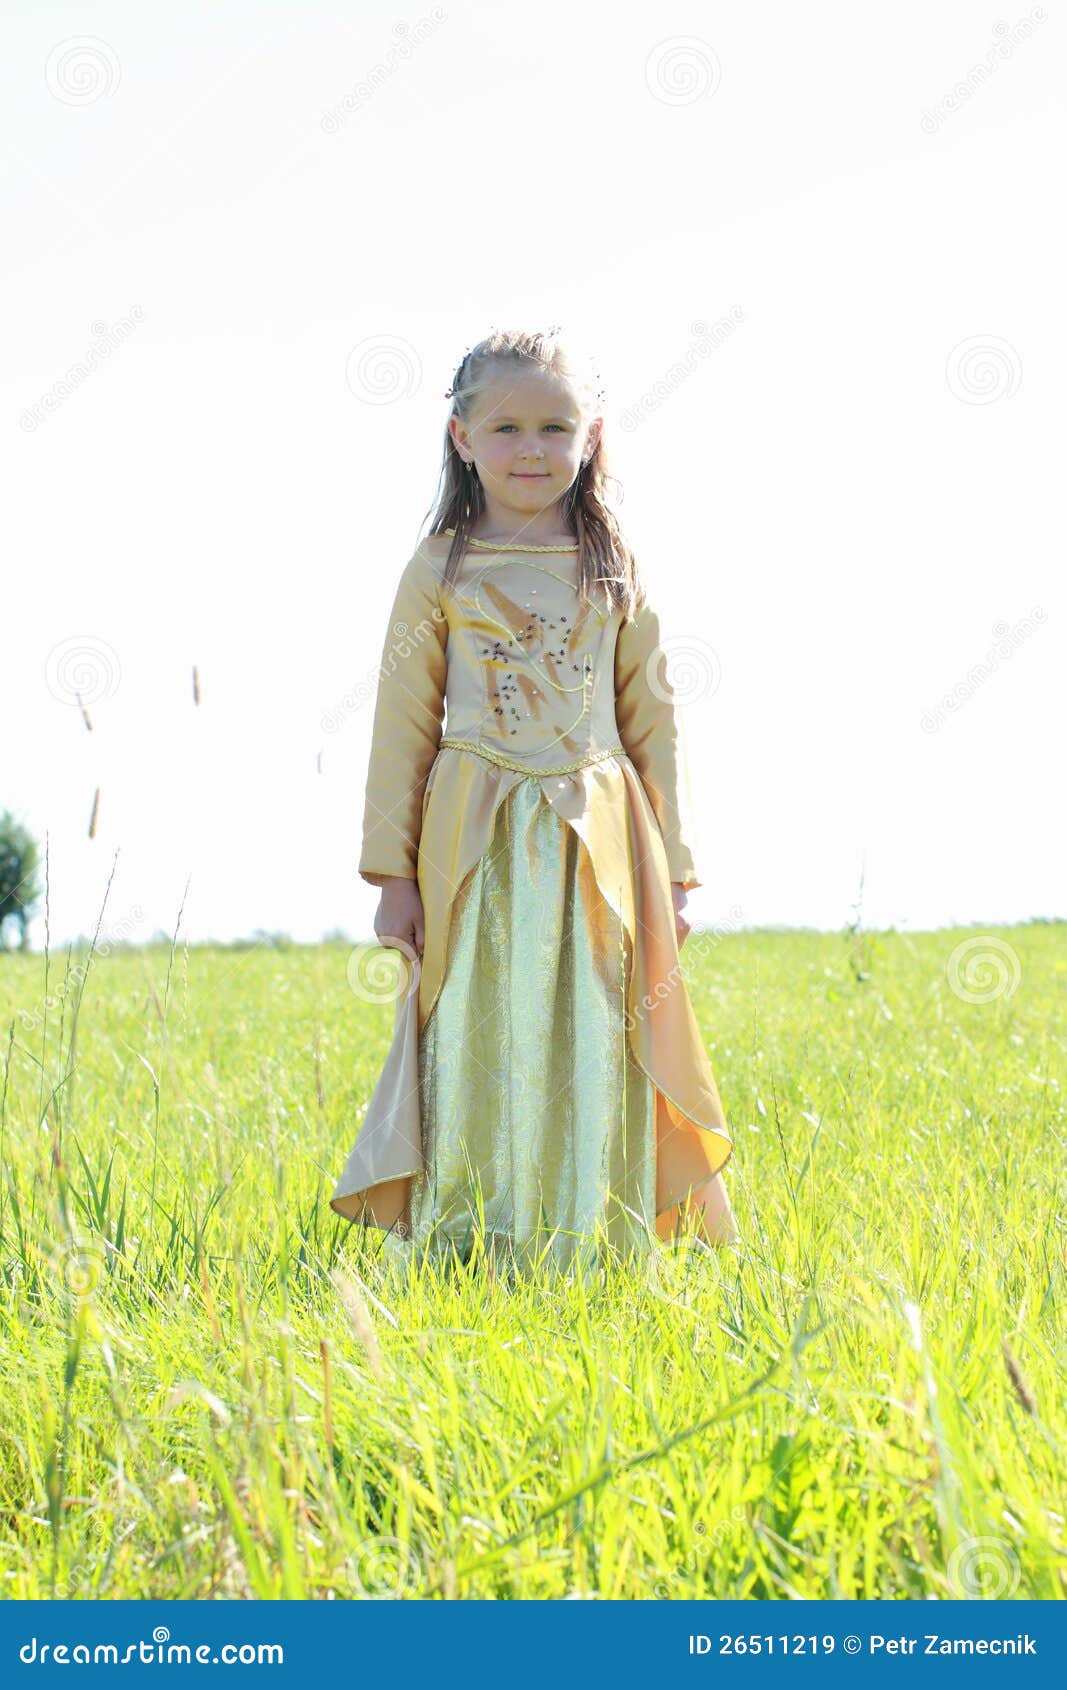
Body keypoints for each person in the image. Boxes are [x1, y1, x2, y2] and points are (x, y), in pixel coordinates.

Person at [330, 326, 740, 1274]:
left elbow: (655, 726)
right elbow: (401, 722)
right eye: (507, 427)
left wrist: (673, 877)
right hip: (468, 838)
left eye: (555, 428)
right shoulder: (439, 567)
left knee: (596, 1025)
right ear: (461, 435)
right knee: (476, 1028)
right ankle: (472, 1239)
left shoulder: (614, 563)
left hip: (599, 843)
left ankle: (593, 1241)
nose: (530, 450)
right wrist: (392, 874)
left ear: (590, 436)